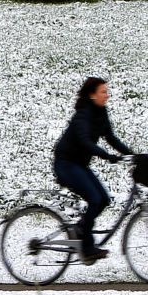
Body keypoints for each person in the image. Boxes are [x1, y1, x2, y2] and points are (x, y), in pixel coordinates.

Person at [52, 77, 133, 262]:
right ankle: (86, 245)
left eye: (107, 91)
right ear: (91, 95)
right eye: (103, 92)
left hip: (79, 164)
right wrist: (107, 156)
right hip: (66, 164)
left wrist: (132, 155)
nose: (107, 95)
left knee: (104, 199)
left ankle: (82, 228)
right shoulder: (83, 115)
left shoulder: (100, 112)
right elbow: (84, 141)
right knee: (95, 199)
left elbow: (111, 138)